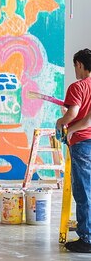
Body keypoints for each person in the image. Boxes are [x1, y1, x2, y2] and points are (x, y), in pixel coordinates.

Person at [56, 49, 91, 253]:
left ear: (79, 64)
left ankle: (86, 238)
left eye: (74, 66)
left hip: (83, 144)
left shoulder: (77, 86)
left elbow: (76, 114)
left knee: (83, 190)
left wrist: (63, 122)